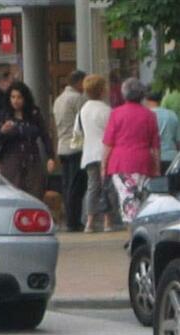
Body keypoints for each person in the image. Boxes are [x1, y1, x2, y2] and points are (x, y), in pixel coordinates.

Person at [103, 78, 160, 224]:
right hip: (143, 162)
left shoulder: (116, 113)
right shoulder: (150, 115)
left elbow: (108, 143)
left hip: (120, 163)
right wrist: (157, 168)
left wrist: (103, 165)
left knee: (127, 199)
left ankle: (132, 234)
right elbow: (155, 146)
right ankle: (139, 230)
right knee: (141, 199)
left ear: (124, 93)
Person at [0, 81, 56, 199]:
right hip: (11, 160)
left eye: (19, 97)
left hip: (32, 159)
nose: (16, 101)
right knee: (13, 193)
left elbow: (45, 135)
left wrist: (50, 157)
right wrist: (3, 131)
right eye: (13, 97)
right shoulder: (4, 115)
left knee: (34, 192)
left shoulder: (33, 113)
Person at [53, 70, 87, 232]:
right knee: (77, 186)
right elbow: (83, 121)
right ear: (79, 82)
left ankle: (70, 219)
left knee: (67, 184)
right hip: (76, 146)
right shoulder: (77, 99)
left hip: (62, 145)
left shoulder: (59, 99)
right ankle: (74, 221)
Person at [78, 74, 113, 233]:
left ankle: (89, 222)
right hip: (106, 153)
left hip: (89, 153)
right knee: (107, 187)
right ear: (101, 90)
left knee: (92, 187)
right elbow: (112, 133)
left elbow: (77, 132)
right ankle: (107, 221)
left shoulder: (83, 110)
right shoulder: (107, 110)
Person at [145, 90, 180, 174]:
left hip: (151, 159)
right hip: (171, 159)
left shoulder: (145, 116)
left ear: (147, 100)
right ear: (161, 100)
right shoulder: (172, 115)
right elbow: (178, 141)